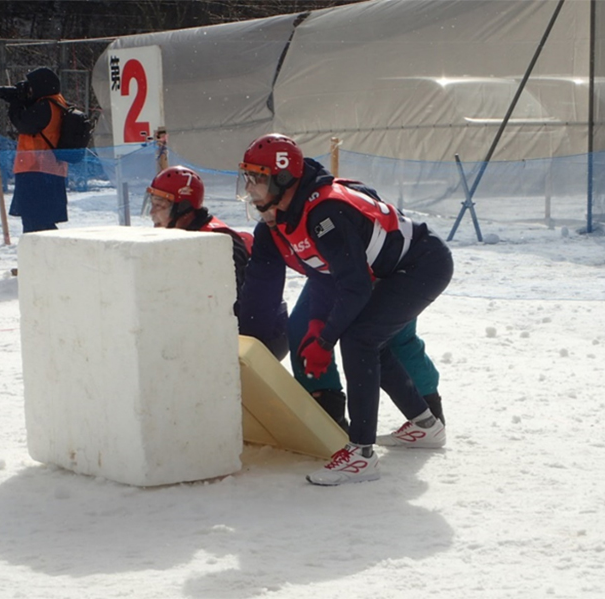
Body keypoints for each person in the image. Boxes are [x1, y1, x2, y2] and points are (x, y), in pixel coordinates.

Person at [237, 133, 453, 486]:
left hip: (421, 266)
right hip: (398, 269)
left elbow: (355, 287)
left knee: (359, 340)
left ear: (283, 179)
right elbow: (328, 276)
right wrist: (318, 327)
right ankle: (426, 424)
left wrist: (323, 341)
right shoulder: (293, 212)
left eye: (258, 178)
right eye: (247, 177)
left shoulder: (324, 211)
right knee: (368, 341)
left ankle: (361, 453)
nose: (250, 188)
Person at [144, 165, 251, 308]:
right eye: (152, 204)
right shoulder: (180, 236)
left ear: (183, 208)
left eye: (159, 205)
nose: (152, 212)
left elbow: (232, 305)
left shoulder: (219, 242)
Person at [5, 67, 70, 234]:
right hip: (52, 169)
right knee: (43, 221)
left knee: (35, 223)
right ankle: (49, 255)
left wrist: (16, 102)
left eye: (32, 86)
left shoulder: (45, 106)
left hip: (35, 170)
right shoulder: (58, 102)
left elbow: (22, 123)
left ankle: (41, 256)